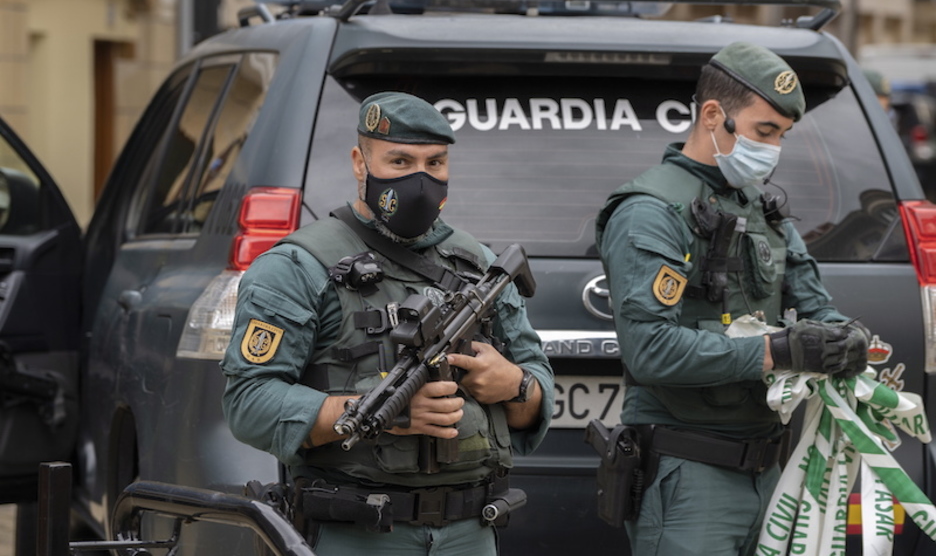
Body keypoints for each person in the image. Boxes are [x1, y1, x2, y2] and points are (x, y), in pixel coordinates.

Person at [220, 91, 554, 555]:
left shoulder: (479, 265)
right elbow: (248, 401)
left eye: (435, 164)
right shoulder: (299, 266)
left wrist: (514, 384)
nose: (421, 178)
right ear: (361, 162)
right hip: (356, 531)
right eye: (400, 161)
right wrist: (372, 413)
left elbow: (537, 390)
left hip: (471, 532)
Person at [594, 42, 870, 556]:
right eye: (764, 132)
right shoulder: (651, 209)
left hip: (770, 474)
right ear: (713, 114)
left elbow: (817, 306)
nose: (774, 149)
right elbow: (650, 350)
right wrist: (779, 351)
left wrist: (846, 340)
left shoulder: (762, 209)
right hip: (689, 474)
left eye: (783, 136)